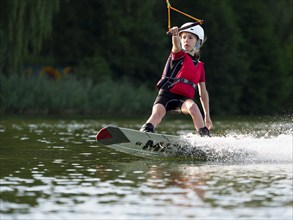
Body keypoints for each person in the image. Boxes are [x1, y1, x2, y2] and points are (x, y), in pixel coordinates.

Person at [140, 22, 213, 136]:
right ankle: (146, 131)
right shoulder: (178, 55)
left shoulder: (200, 67)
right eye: (183, 37)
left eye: (190, 37)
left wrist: (207, 116)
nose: (186, 40)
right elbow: (176, 46)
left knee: (193, 107)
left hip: (182, 101)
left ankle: (205, 138)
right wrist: (175, 35)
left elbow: (203, 93)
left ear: (198, 43)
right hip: (166, 95)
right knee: (157, 113)